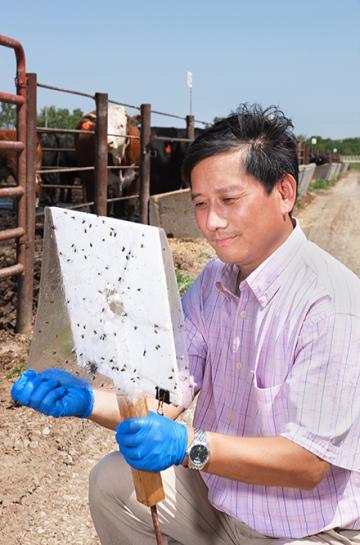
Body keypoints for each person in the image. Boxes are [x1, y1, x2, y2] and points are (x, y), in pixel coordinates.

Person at [11, 104, 360, 545]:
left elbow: (308, 463)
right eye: (200, 203)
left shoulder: (332, 303)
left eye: (229, 200)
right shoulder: (215, 280)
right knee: (113, 481)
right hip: (224, 501)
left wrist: (189, 446)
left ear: (285, 192)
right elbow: (168, 395)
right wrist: (86, 400)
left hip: (308, 528)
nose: (212, 223)